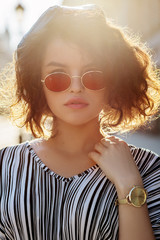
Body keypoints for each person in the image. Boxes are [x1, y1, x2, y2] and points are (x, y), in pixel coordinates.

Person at [0, 4, 160, 240]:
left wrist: (129, 184)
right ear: (38, 83)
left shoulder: (148, 169)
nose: (76, 87)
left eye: (93, 75)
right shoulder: (5, 165)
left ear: (114, 82)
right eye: (58, 77)